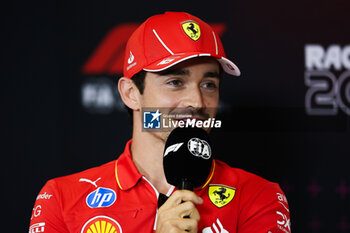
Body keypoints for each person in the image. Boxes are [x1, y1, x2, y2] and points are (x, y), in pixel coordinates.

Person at [29, 12, 291, 233]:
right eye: (176, 82)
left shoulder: (258, 196)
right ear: (131, 93)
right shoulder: (62, 198)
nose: (197, 101)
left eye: (209, 84)